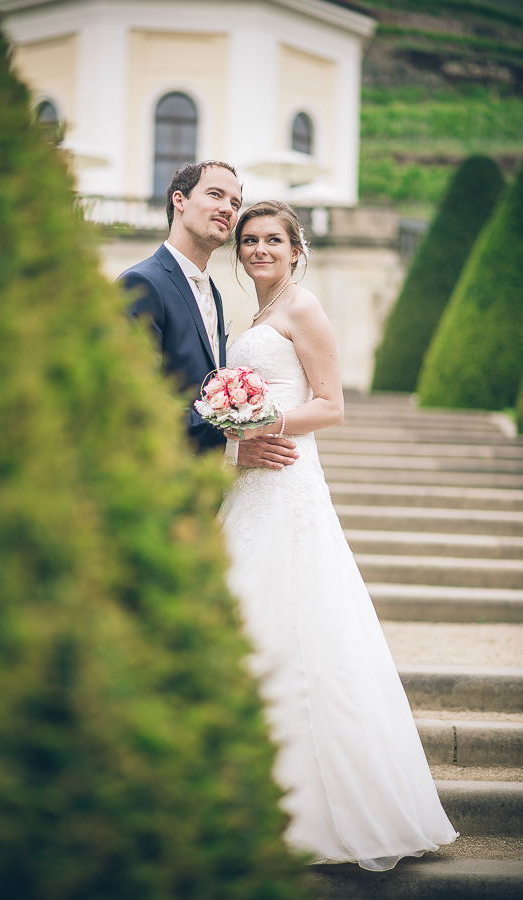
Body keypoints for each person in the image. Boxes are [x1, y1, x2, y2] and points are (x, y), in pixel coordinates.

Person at [219, 200, 458, 871]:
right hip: (250, 481)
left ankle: (324, 809)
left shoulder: (302, 308)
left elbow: (331, 405)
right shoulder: (259, 316)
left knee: (298, 623)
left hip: (287, 477)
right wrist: (236, 428)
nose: (259, 248)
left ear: (296, 249)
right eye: (249, 240)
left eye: (272, 239)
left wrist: (258, 424)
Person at [118, 161, 298, 470]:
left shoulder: (212, 292)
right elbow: (135, 393)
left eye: (235, 203)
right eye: (215, 194)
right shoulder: (142, 283)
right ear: (180, 201)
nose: (228, 208)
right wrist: (227, 448)